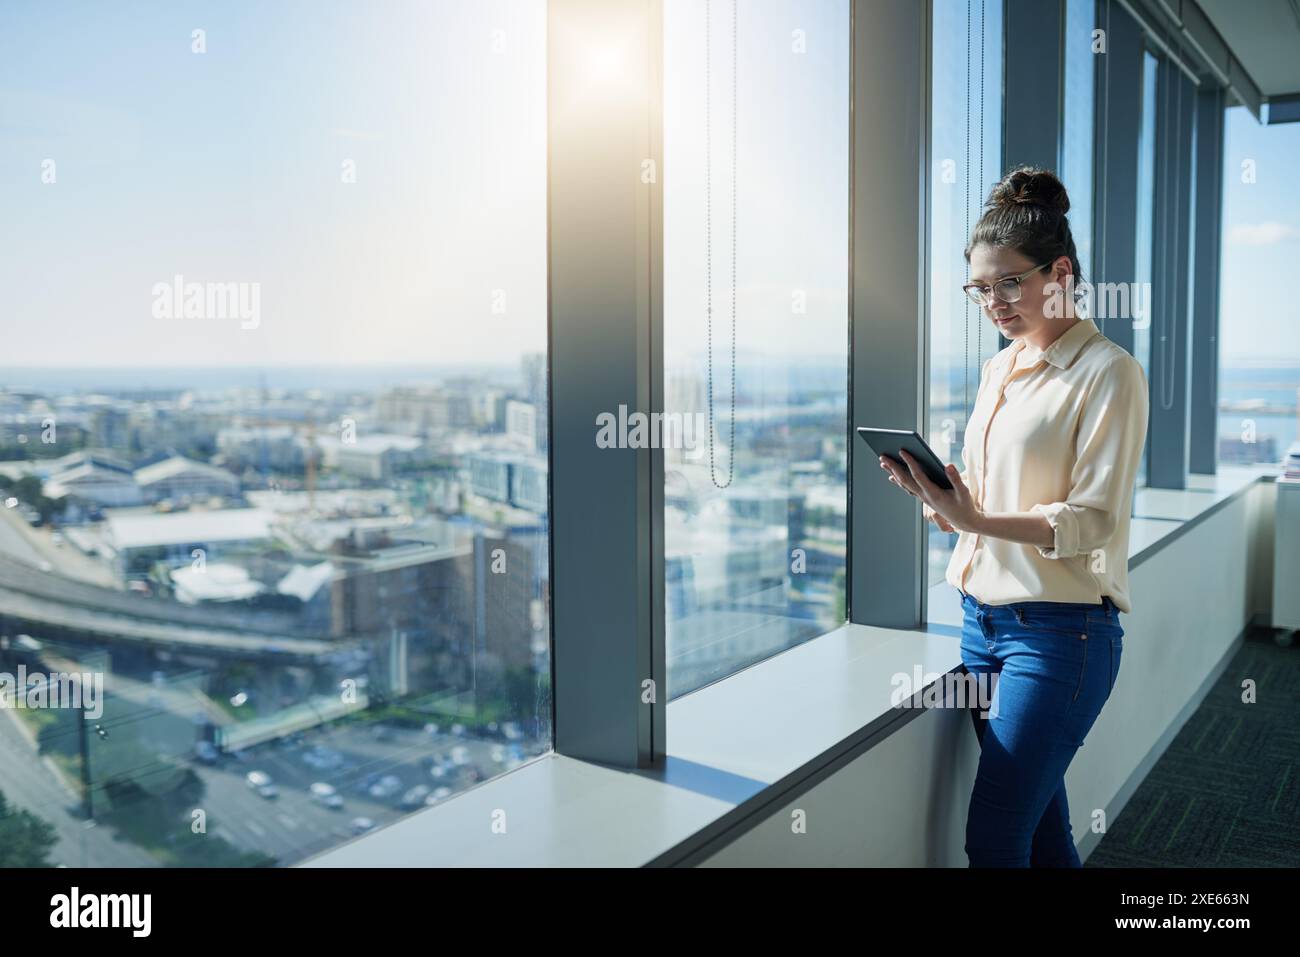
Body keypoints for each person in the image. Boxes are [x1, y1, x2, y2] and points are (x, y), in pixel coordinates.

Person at [880, 166, 1149, 867]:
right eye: (980, 288)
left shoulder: (1108, 371)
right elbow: (986, 511)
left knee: (994, 838)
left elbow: (1093, 520)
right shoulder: (999, 370)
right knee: (1038, 829)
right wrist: (944, 505)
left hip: (1060, 636)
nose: (993, 302)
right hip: (981, 624)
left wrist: (980, 519)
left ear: (1059, 271)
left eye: (1008, 283)